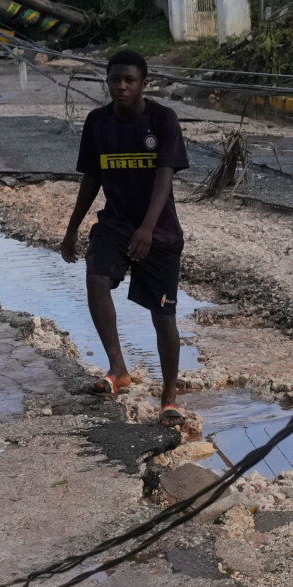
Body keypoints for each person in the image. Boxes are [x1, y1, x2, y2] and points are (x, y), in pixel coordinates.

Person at [60, 49, 188, 413]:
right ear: (108, 81)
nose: (122, 86)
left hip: (159, 230)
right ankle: (118, 369)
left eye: (130, 80)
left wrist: (148, 228)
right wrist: (72, 229)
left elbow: (165, 175)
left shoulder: (162, 119)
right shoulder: (98, 122)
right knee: (96, 280)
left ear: (143, 84)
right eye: (115, 79)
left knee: (164, 317)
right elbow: (92, 178)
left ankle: (169, 399)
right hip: (114, 223)